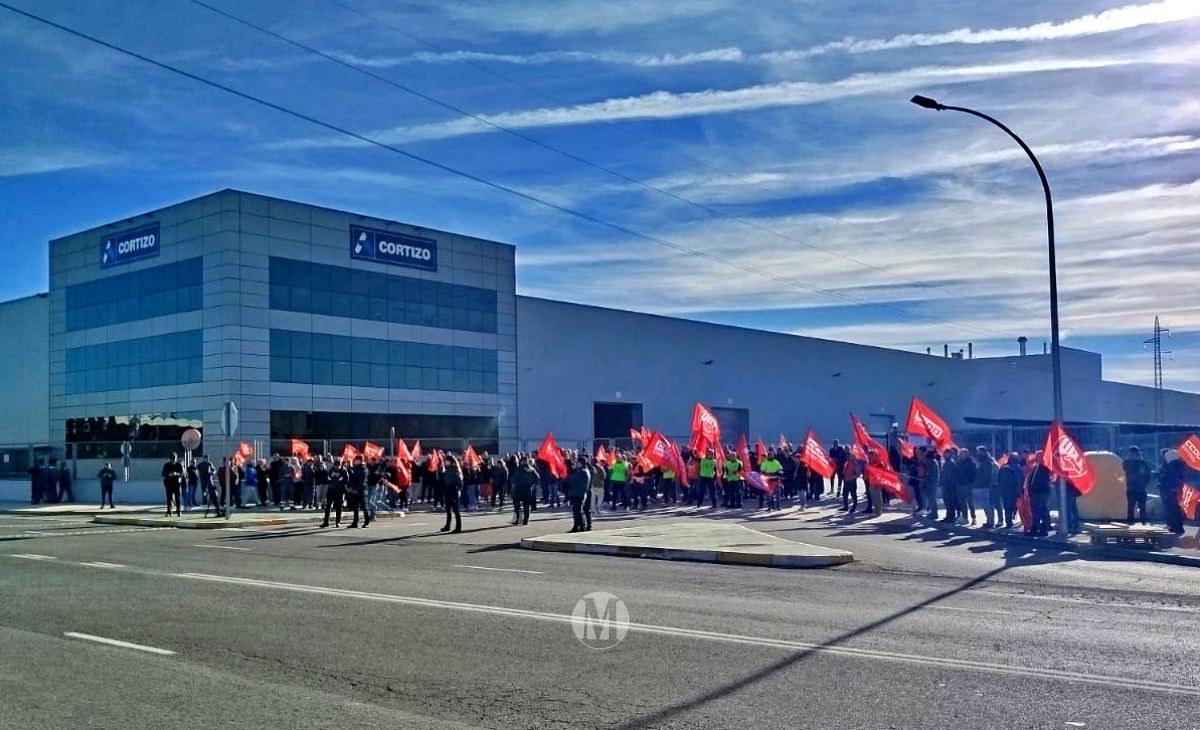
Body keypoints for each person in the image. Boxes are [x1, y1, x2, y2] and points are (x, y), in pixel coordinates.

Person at [1158, 449, 1187, 535]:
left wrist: (1161, 477)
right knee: (1174, 509)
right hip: (1174, 489)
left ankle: (1176, 526)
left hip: (1170, 490)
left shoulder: (1172, 466)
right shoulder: (1179, 465)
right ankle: (1176, 526)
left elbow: (1170, 478)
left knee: (1172, 509)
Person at [1122, 446, 1152, 525]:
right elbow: (1124, 468)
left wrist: (1144, 484)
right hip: (1131, 489)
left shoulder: (1143, 463)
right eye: (1133, 453)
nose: (1134, 455)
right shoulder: (1127, 463)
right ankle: (1130, 524)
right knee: (1131, 508)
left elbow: (1148, 475)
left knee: (1142, 508)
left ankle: (1144, 524)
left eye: (1136, 453)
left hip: (1141, 489)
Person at [1028, 452, 1053, 536]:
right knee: (1035, 511)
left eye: (1039, 456)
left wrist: (1034, 489)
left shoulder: (1044, 468)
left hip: (1041, 492)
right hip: (1035, 493)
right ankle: (1036, 528)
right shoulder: (1036, 467)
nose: (1037, 458)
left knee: (1041, 510)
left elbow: (1043, 481)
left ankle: (1043, 529)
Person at [996, 453, 1023, 529]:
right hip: (1013, 490)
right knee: (1014, 506)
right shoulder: (1018, 468)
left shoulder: (1003, 467)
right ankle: (1012, 519)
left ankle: (1009, 522)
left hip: (1004, 490)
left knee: (1007, 507)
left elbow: (999, 478)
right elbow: (1020, 479)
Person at [974, 446, 998, 528]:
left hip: (986, 485)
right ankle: (989, 520)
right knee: (984, 504)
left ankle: (991, 521)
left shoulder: (987, 461)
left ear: (984, 452)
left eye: (980, 452)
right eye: (978, 452)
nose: (978, 453)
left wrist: (985, 482)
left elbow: (987, 474)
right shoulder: (980, 461)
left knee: (987, 504)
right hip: (981, 485)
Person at [566, 458, 592, 532]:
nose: (576, 464)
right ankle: (577, 526)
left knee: (578, 511)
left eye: (577, 463)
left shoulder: (583, 472)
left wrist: (571, 470)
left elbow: (572, 479)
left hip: (579, 494)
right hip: (578, 493)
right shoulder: (581, 471)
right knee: (576, 511)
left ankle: (581, 526)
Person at [321, 458, 347, 528]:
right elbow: (327, 479)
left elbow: (346, 479)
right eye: (336, 464)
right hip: (331, 490)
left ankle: (338, 522)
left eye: (338, 464)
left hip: (340, 491)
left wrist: (338, 478)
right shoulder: (331, 470)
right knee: (328, 506)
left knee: (338, 507)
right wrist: (331, 477)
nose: (337, 466)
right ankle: (326, 522)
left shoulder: (343, 471)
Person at [512, 457, 538, 526]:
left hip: (519, 489)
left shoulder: (519, 468)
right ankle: (525, 520)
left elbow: (514, 478)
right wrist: (533, 485)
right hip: (528, 489)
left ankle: (518, 519)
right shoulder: (532, 469)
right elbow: (537, 478)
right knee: (526, 505)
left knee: (517, 504)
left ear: (522, 461)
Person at [441, 455, 463, 533]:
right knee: (448, 509)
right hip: (447, 490)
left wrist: (458, 489)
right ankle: (448, 525)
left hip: (454, 490)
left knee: (456, 509)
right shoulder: (446, 469)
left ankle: (458, 527)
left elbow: (460, 481)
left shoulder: (455, 469)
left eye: (447, 461)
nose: (445, 462)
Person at [347, 457, 371, 528]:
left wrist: (356, 489)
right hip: (354, 491)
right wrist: (350, 487)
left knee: (364, 507)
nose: (355, 461)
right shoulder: (354, 469)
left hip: (362, 491)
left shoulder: (363, 469)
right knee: (355, 508)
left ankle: (367, 522)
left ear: (360, 461)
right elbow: (351, 479)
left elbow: (362, 481)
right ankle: (355, 522)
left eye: (357, 460)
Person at [956, 448, 977, 525]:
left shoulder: (971, 462)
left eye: (963, 453)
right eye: (960, 454)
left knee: (970, 502)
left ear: (967, 454)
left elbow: (973, 473)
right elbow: (956, 472)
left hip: (968, 484)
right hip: (960, 484)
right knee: (962, 502)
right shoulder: (959, 462)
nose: (961, 455)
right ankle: (965, 518)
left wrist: (972, 482)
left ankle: (974, 518)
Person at [921, 448, 940, 520]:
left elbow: (932, 475)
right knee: (931, 499)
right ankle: (933, 512)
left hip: (932, 484)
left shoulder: (933, 463)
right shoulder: (931, 462)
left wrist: (928, 482)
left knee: (932, 499)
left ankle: (934, 514)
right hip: (929, 483)